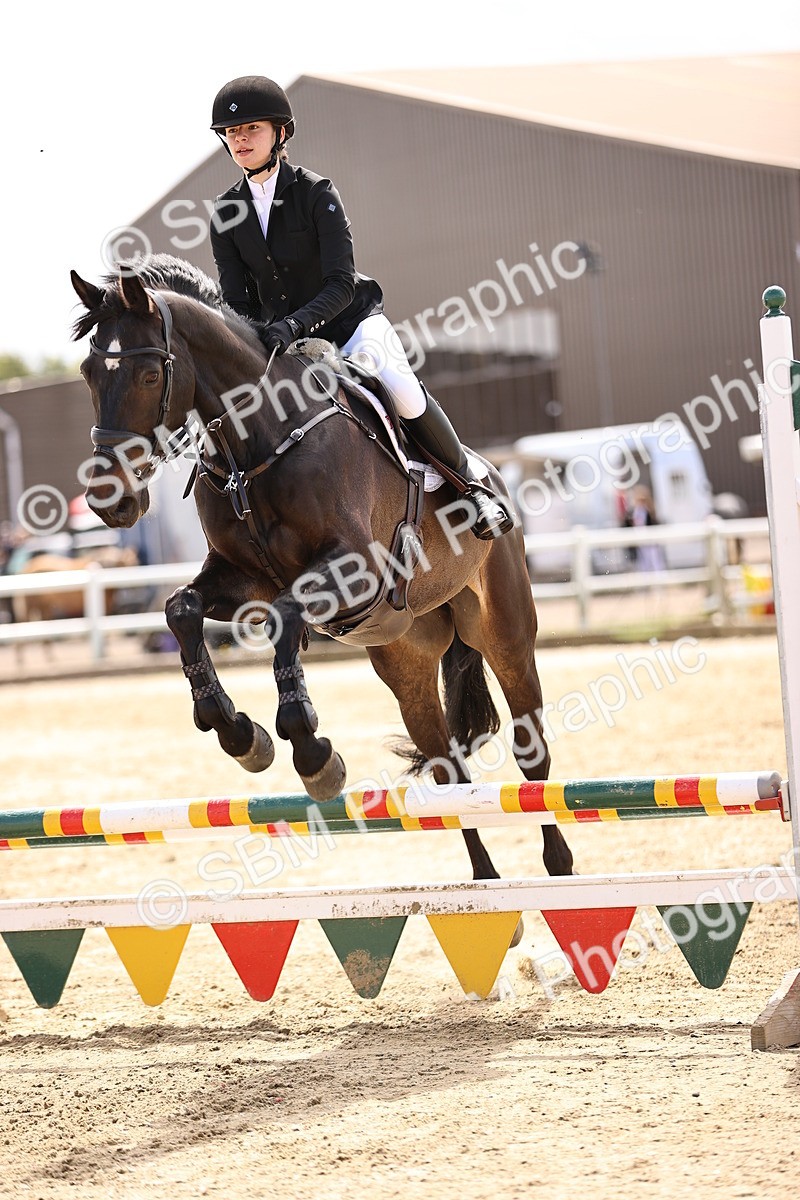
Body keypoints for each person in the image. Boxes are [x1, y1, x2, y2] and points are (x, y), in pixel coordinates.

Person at [208, 75, 513, 540]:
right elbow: (237, 300)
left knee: (402, 389)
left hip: (349, 324)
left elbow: (341, 283)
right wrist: (262, 338)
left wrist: (293, 325)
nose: (241, 139)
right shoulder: (225, 213)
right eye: (232, 133)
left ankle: (471, 487)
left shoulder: (316, 193)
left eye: (251, 128)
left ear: (280, 133)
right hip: (281, 343)